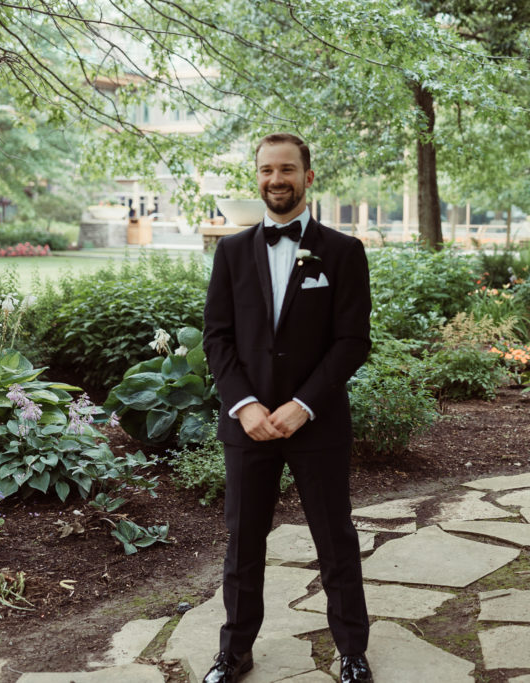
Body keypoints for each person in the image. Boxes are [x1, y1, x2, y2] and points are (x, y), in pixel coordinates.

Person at [202, 133, 373, 683]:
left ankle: (351, 651)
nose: (276, 180)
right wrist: (244, 406)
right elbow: (217, 338)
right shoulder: (230, 253)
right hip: (248, 426)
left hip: (316, 423)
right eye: (266, 170)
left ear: (307, 176)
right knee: (242, 543)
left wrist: (303, 404)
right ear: (257, 177)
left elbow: (352, 341)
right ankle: (234, 653)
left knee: (334, 539)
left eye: (287, 170)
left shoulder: (343, 252)